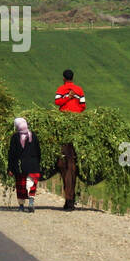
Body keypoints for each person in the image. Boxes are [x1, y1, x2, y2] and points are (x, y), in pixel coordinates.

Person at [53, 70, 84, 210]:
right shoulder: (79, 90)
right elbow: (83, 105)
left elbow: (57, 101)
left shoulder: (61, 89)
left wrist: (67, 99)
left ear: (64, 78)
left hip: (64, 121)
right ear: (73, 78)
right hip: (77, 122)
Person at [6, 117, 42, 212]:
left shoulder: (15, 137)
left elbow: (12, 154)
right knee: (31, 184)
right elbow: (38, 152)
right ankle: (31, 202)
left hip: (20, 166)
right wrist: (38, 164)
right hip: (33, 166)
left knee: (21, 185)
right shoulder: (33, 136)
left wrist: (10, 168)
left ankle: (21, 206)